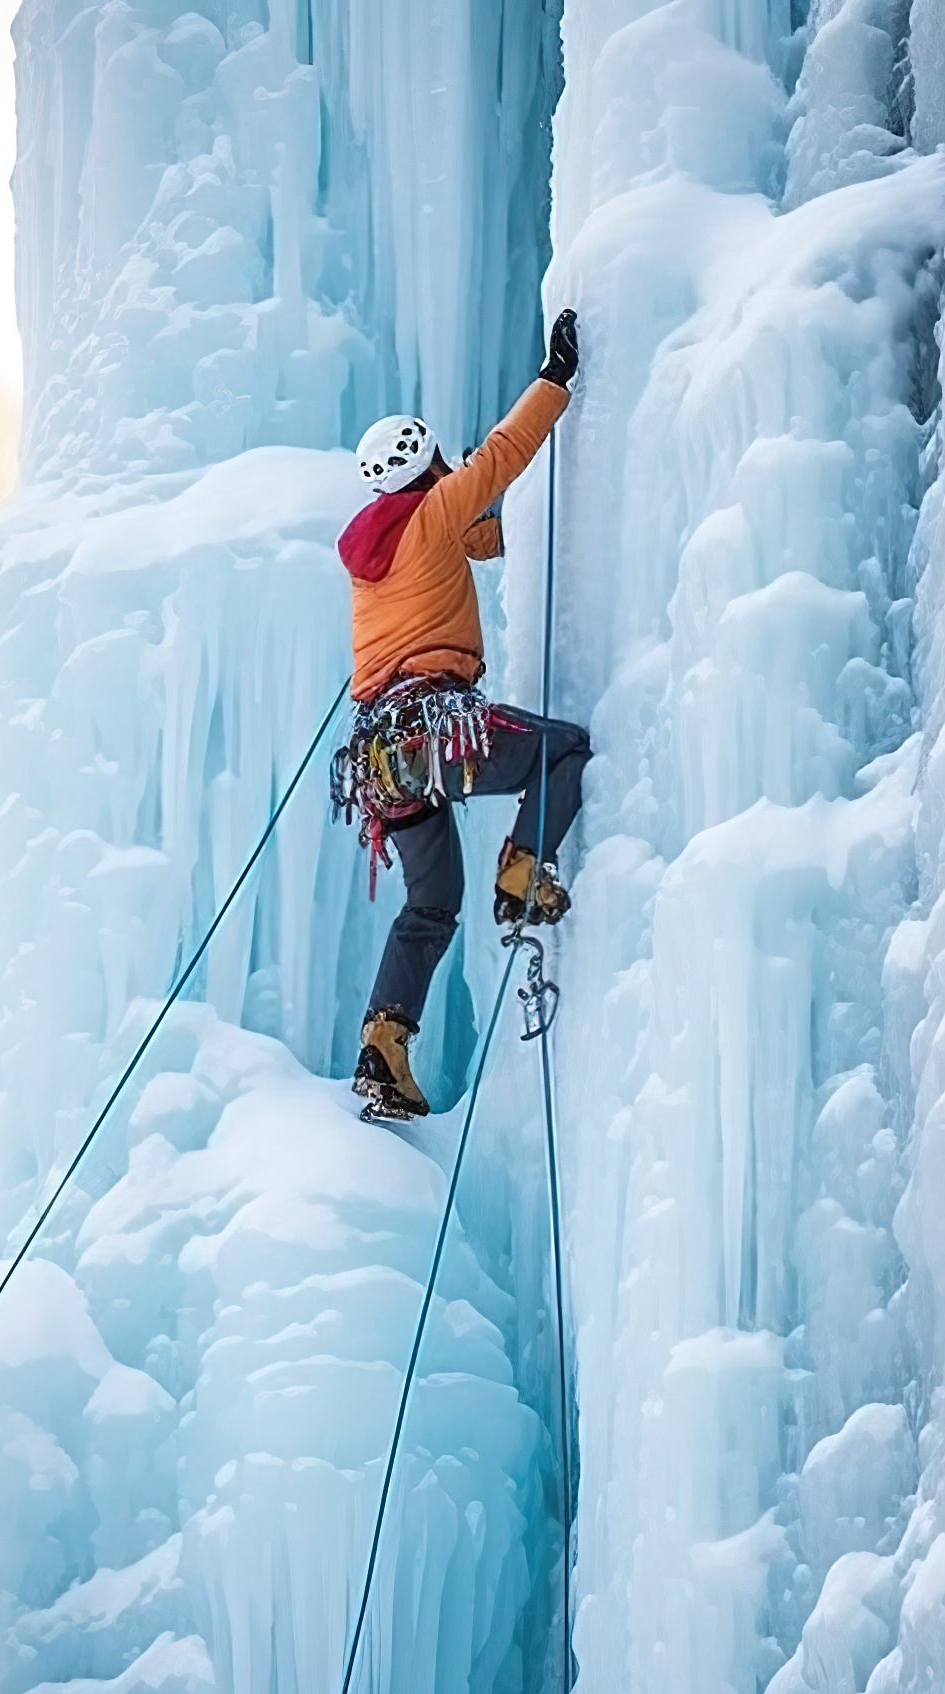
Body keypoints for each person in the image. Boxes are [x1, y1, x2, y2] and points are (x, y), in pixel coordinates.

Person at [335, 309, 590, 1121]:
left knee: (429, 905)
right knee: (564, 753)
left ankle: (385, 1041)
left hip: (381, 764)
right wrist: (555, 382)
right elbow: (502, 458)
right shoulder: (438, 508)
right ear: (424, 463)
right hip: (437, 730)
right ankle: (523, 867)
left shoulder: (372, 550)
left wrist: (516, 540)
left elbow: (475, 542)